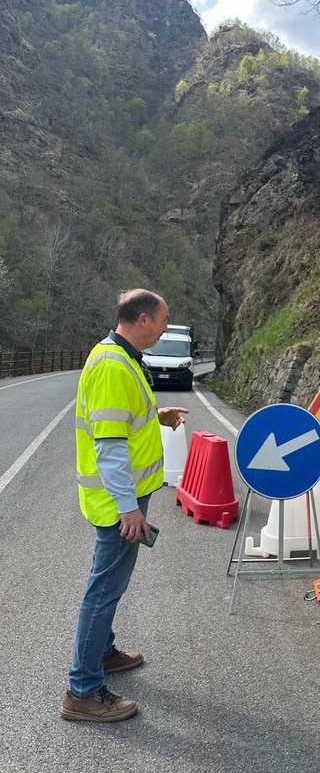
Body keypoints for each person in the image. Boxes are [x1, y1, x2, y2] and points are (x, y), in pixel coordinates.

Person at [60, 289, 188, 722]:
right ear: (142, 319)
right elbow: (110, 446)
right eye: (164, 320)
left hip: (126, 497)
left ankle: (103, 651)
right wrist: (128, 507)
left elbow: (123, 421)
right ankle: (83, 689)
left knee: (108, 584)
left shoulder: (120, 355)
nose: (167, 327)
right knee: (104, 588)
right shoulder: (115, 365)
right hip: (120, 502)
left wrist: (158, 416)